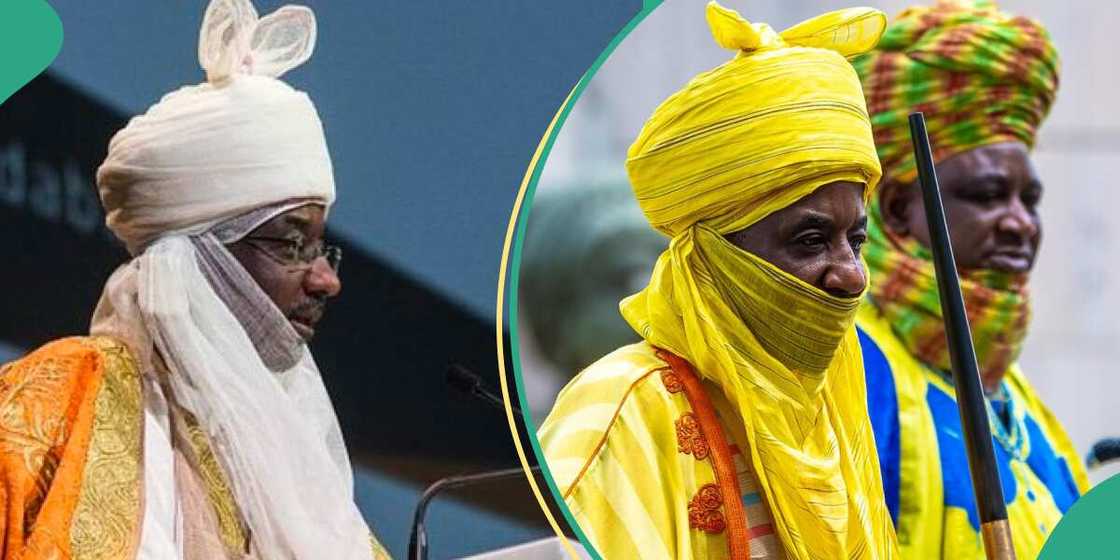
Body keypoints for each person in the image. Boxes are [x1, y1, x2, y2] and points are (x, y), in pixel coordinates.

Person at [0, 0, 389, 558]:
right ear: (202, 256)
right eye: (290, 243)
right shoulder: (59, 401)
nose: (326, 279)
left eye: (322, 247)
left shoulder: (304, 478)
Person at [537, 3, 899, 558]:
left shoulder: (829, 410)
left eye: (856, 240)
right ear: (714, 253)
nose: (851, 276)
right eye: (810, 240)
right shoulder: (622, 419)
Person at [851, 1, 1089, 558]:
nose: (1020, 223)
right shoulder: (856, 370)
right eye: (987, 196)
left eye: (1030, 199)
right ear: (899, 209)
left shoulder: (1018, 396)